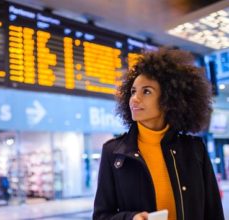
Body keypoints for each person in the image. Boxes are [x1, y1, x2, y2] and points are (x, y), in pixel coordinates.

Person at [93, 48, 224, 220]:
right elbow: (101, 216)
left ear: (169, 99)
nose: (134, 98)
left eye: (146, 91)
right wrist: (130, 218)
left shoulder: (194, 149)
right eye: (133, 91)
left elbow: (213, 211)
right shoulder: (114, 153)